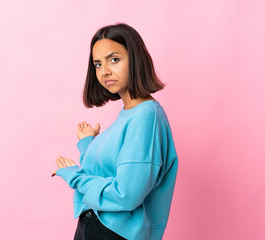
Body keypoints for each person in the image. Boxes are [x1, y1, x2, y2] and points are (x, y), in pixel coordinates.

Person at [51, 23, 178, 240]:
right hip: (97, 227)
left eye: (114, 60)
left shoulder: (146, 116)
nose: (105, 71)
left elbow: (126, 195)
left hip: (113, 233)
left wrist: (74, 176)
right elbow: (108, 173)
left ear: (136, 59)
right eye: (98, 64)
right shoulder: (129, 115)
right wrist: (87, 144)